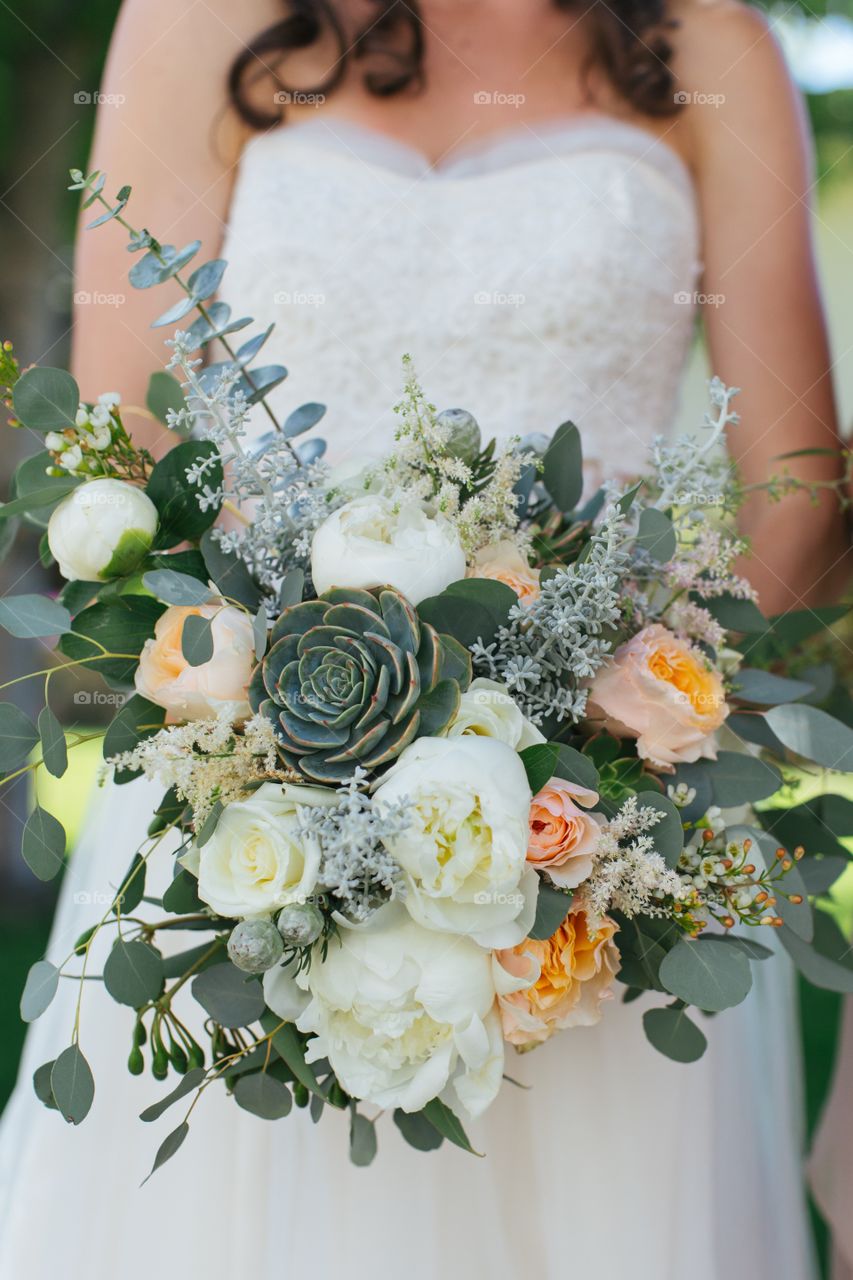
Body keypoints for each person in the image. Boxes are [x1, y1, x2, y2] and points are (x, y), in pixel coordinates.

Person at [0, 2, 848, 1277]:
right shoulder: (194, 20)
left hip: (608, 848)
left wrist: (617, 749)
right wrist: (282, 749)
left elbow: (794, 479)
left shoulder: (707, 42)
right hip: (245, 801)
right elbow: (130, 456)